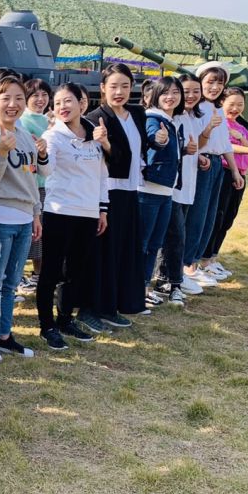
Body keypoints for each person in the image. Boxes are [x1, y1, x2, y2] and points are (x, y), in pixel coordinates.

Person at [0, 73, 48, 361]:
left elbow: (34, 178)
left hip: (25, 219)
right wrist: (1, 152)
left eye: (19, 98)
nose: (13, 104)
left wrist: (36, 214)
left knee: (11, 282)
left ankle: (4, 335)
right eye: (6, 98)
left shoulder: (26, 136)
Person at [35, 83, 109, 349]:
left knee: (76, 271)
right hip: (59, 211)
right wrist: (43, 154)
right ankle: (47, 326)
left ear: (82, 103)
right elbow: (46, 171)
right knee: (51, 271)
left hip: (88, 213)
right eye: (57, 103)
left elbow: (102, 176)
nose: (62, 107)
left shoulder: (95, 134)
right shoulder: (52, 135)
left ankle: (65, 319)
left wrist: (102, 210)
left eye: (68, 101)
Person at [83, 63, 148, 328]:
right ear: (102, 88)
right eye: (113, 86)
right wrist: (106, 144)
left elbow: (142, 148)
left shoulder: (137, 114)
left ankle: (121, 302)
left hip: (131, 189)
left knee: (124, 249)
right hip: (108, 191)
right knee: (104, 252)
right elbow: (99, 159)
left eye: (125, 86)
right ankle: (97, 308)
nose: (119, 92)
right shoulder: (95, 118)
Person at [185, 61, 244, 284]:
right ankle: (188, 265)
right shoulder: (196, 108)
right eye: (210, 82)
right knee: (197, 215)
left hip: (217, 163)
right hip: (202, 163)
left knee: (210, 217)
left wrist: (235, 171)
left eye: (220, 83)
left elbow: (225, 143)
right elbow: (195, 142)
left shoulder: (217, 108)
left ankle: (197, 261)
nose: (215, 87)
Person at [155, 73, 205, 303]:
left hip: (185, 184)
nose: (189, 96)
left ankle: (170, 277)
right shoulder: (165, 119)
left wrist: (195, 154)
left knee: (177, 233)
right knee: (174, 235)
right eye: (184, 91)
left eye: (195, 91)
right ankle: (169, 279)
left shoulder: (187, 117)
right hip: (170, 187)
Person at [202, 88, 248, 269]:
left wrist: (243, 139)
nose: (235, 108)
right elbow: (227, 146)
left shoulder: (241, 128)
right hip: (225, 172)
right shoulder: (219, 122)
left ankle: (213, 257)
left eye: (240, 104)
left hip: (240, 174)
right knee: (217, 217)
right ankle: (205, 258)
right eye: (231, 104)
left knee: (228, 219)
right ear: (222, 103)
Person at [139, 77, 185, 307]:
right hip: (149, 190)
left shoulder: (170, 120)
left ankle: (144, 287)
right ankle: (136, 287)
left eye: (175, 92)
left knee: (154, 243)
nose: (170, 97)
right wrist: (159, 139)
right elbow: (153, 138)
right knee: (143, 243)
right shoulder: (153, 118)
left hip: (165, 191)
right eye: (165, 92)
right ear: (156, 95)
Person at [17, 79, 52, 293]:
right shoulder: (23, 121)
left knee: (41, 234)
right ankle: (20, 276)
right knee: (29, 233)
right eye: (35, 95)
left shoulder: (49, 120)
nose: (40, 99)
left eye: (44, 95)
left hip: (47, 183)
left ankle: (38, 275)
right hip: (30, 183)